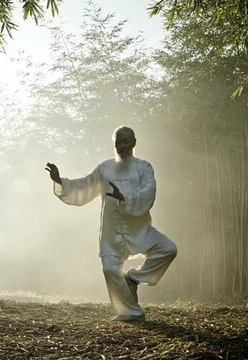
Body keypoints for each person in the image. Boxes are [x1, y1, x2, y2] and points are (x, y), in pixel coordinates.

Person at [45, 126, 177, 321]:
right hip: (111, 231)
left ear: (133, 142)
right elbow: (85, 186)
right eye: (117, 143)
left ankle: (133, 278)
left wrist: (124, 197)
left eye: (125, 142)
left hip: (139, 229)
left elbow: (149, 192)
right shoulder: (104, 169)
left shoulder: (144, 167)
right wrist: (60, 181)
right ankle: (131, 312)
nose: (121, 147)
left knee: (168, 249)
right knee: (109, 269)